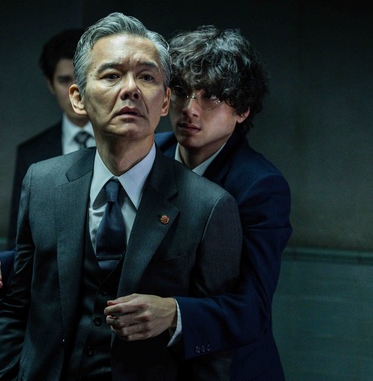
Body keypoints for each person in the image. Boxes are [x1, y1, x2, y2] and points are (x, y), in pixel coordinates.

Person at [0, 12, 242, 380]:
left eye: (147, 77)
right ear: (78, 98)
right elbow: (16, 308)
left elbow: (213, 350)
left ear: (165, 101)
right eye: (111, 75)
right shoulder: (42, 182)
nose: (131, 89)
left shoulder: (209, 206)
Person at [105, 26, 292, 380]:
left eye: (211, 97)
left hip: (231, 368)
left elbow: (253, 309)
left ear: (242, 110)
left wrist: (175, 313)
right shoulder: (146, 150)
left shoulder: (260, 186)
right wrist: (8, 265)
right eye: (181, 91)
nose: (190, 109)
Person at [0, 28, 95, 300]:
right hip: (51, 294)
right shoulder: (32, 153)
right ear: (50, 84)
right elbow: (20, 238)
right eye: (64, 80)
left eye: (82, 78)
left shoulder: (128, 142)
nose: (75, 90)